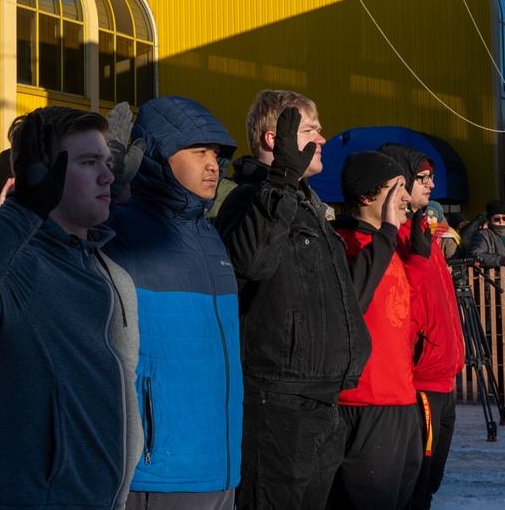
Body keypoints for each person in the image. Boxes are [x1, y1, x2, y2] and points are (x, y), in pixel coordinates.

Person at [0, 108, 141, 509]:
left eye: (107, 163)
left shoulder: (114, 277)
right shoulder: (13, 264)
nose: (108, 176)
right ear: (41, 173)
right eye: (90, 163)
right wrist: (23, 210)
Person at [214, 90, 371, 510]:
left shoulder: (310, 207)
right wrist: (282, 179)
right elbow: (252, 263)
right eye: (309, 130)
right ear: (274, 140)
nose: (322, 138)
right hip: (277, 404)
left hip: (324, 399)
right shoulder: (246, 199)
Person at [102, 96, 243, 510]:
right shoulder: (122, 227)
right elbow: (66, 241)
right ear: (159, 154)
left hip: (221, 464)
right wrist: (105, 185)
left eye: (216, 154)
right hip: (158, 470)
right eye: (199, 151)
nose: (213, 164)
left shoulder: (209, 234)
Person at [328, 151, 423, 509]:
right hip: (363, 404)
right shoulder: (345, 244)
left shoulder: (387, 245)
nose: (406, 196)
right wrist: (386, 233)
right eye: (396, 187)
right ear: (367, 197)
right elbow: (352, 303)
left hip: (401, 401)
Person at [376, 142, 464, 510]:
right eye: (421, 177)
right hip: (420, 381)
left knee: (430, 483)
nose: (430, 184)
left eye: (432, 177)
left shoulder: (422, 230)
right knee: (412, 487)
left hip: (444, 376)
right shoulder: (392, 235)